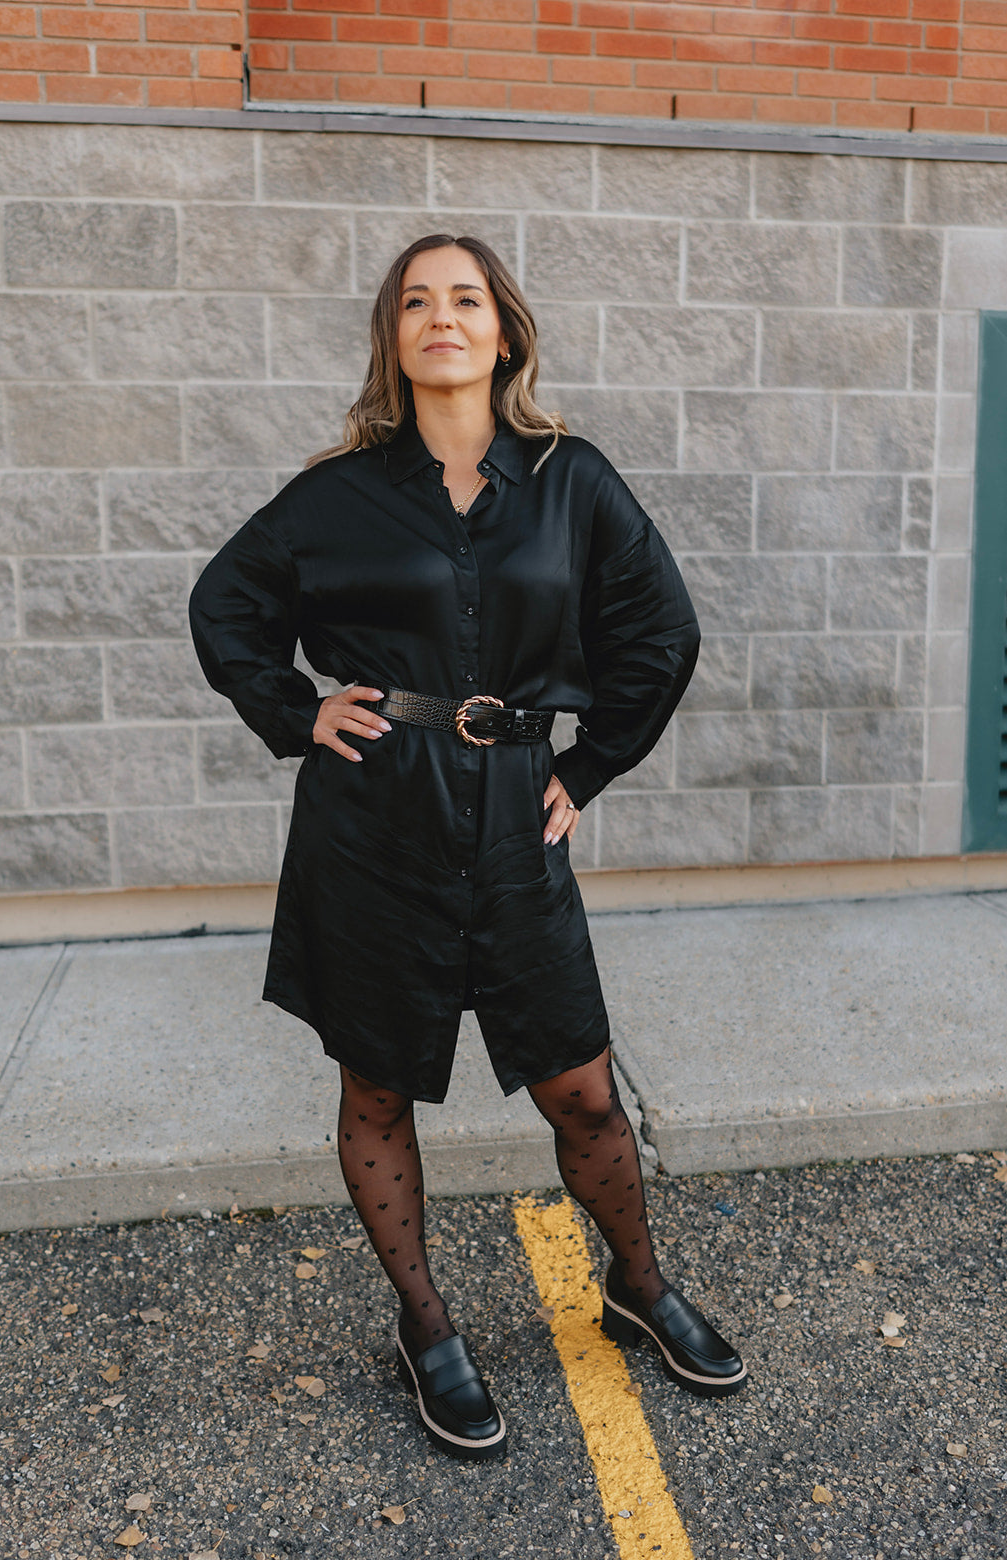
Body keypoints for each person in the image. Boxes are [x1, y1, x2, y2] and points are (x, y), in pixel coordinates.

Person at [189, 233, 746, 1463]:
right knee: (378, 1085)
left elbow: (662, 630)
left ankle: (638, 1283)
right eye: (416, 301)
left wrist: (587, 766)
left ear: (504, 332)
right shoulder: (335, 494)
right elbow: (224, 604)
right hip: (373, 819)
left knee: (581, 1084)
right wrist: (296, 711)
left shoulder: (570, 478)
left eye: (466, 298)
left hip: (512, 816)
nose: (442, 316)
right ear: (394, 337)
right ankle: (428, 1325)